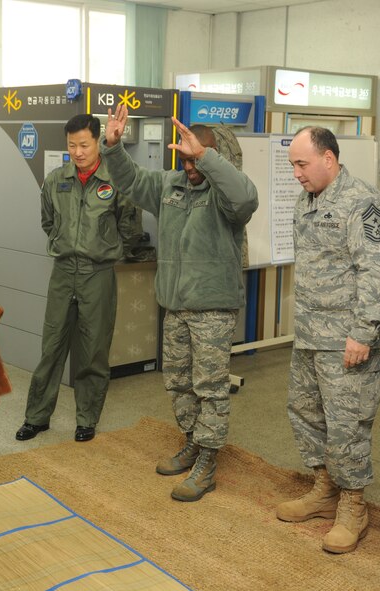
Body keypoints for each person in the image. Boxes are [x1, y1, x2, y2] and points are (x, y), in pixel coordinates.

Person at [102, 104, 258, 502]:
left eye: (195, 159)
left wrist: (206, 158)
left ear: (210, 156)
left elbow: (244, 200)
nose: (188, 167)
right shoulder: (170, 185)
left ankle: (207, 462)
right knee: (178, 383)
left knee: (210, 388)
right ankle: (192, 441)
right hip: (175, 306)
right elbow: (131, 181)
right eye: (184, 159)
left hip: (212, 310)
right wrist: (113, 146)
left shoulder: (227, 194)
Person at [274, 126, 380, 554]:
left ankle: (353, 506)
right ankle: (324, 491)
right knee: (306, 414)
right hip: (308, 334)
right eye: (292, 166)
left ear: (329, 159)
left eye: (302, 164)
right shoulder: (305, 199)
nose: (296, 174)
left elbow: (375, 273)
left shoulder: (364, 203)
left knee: (347, 425)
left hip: (346, 340)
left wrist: (363, 332)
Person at [15, 114, 138, 443]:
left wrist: (105, 248)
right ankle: (37, 417)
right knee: (51, 347)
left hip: (98, 275)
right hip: (63, 273)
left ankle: (86, 419)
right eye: (72, 145)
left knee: (93, 350)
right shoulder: (57, 180)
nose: (78, 152)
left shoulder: (116, 181)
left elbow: (130, 227)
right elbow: (47, 221)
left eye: (84, 144)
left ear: (98, 142)